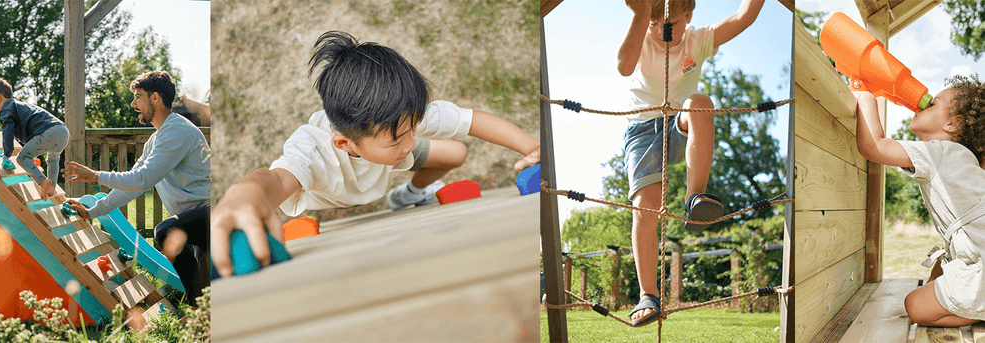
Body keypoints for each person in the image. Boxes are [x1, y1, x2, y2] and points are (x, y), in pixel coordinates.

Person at [209, 31, 541, 277]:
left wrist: (532, 148)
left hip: (383, 166)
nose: (410, 141)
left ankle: (407, 195)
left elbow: (472, 121)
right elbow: (275, 179)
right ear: (345, 144)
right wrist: (244, 193)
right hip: (330, 197)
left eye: (414, 127)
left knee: (456, 152)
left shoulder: (400, 119)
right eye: (398, 138)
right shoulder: (313, 150)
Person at [616, 0, 765, 326]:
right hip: (642, 127)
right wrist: (641, 16)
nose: (664, 32)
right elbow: (624, 67)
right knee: (645, 207)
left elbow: (744, 17)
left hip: (680, 121)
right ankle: (648, 294)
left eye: (674, 24)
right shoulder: (642, 35)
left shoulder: (697, 40)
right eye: (657, 25)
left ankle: (695, 199)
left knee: (700, 102)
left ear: (689, 17)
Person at [62, 71, 211, 306]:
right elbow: (134, 185)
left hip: (212, 211)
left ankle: (198, 310)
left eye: (138, 97)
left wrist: (94, 175)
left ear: (155, 99)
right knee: (204, 277)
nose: (133, 104)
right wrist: (92, 211)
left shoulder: (176, 132)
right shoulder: (158, 138)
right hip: (196, 217)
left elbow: (141, 179)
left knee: (166, 232)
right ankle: (202, 313)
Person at [854, 75, 985, 327]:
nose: (921, 105)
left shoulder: (940, 152)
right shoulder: (961, 158)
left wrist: (865, 95)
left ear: (952, 124)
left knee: (914, 306)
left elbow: (874, 146)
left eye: (932, 104)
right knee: (938, 269)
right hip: (975, 256)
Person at [0, 78, 69, 204]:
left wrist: (7, 153)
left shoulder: (6, 110)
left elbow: (7, 132)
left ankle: (42, 181)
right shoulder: (18, 106)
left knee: (22, 158)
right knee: (53, 158)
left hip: (48, 132)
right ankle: (52, 186)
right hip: (62, 131)